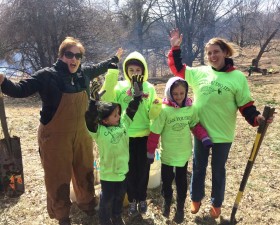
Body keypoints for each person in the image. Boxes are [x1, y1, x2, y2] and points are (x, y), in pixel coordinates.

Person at [0, 37, 122, 225]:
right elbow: (20, 90)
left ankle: (88, 203)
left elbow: (102, 66)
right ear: (61, 55)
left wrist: (115, 58)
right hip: (55, 137)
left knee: (85, 169)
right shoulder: (46, 75)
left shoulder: (84, 74)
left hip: (82, 133)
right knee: (58, 175)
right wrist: (3, 81)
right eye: (69, 54)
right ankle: (62, 214)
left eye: (78, 56)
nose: (74, 59)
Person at [168, 28, 274, 219]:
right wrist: (175, 49)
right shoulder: (200, 72)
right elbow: (178, 70)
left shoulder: (237, 77)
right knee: (199, 167)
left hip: (223, 134)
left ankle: (216, 204)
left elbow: (245, 105)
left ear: (225, 52)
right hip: (200, 131)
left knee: (218, 170)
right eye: (209, 53)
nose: (212, 55)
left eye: (216, 51)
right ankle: (196, 198)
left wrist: (257, 118)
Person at [100, 51, 161, 217]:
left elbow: (153, 115)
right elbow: (108, 98)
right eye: (131, 70)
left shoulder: (149, 87)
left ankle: (142, 198)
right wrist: (112, 73)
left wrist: (156, 107)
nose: (135, 73)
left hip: (143, 136)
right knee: (128, 171)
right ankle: (132, 199)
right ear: (126, 71)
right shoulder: (120, 87)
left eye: (138, 70)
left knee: (142, 170)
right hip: (124, 136)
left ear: (143, 71)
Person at [147, 77, 212, 223]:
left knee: (182, 182)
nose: (179, 97)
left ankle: (181, 206)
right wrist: (150, 152)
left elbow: (195, 125)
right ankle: (167, 202)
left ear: (186, 92)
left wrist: (204, 137)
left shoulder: (190, 108)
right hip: (168, 154)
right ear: (169, 93)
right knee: (167, 180)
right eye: (175, 94)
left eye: (182, 93)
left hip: (183, 153)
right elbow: (155, 132)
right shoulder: (164, 111)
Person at [85, 72, 143, 225]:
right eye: (115, 115)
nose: (119, 115)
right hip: (108, 175)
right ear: (104, 119)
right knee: (107, 199)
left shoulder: (124, 123)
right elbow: (89, 120)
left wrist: (136, 98)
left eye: (118, 113)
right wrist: (92, 102)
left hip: (123, 172)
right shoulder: (98, 131)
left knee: (119, 197)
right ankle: (105, 220)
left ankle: (117, 216)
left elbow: (131, 109)